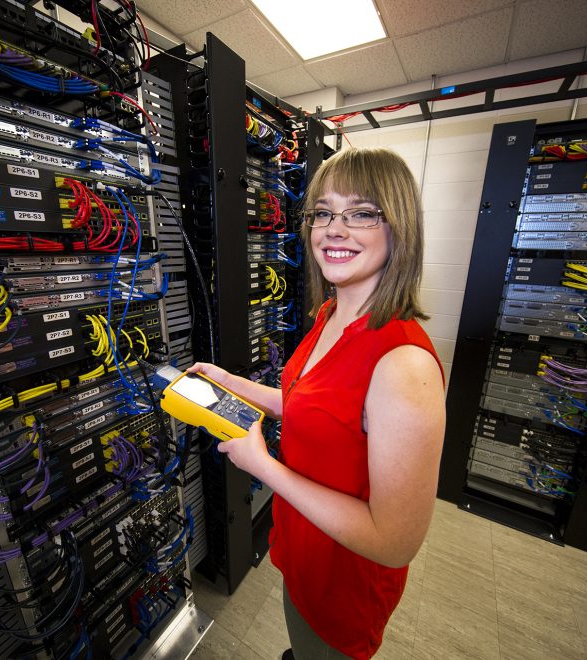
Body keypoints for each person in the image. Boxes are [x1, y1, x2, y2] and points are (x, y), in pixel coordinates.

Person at [189, 147, 445, 659]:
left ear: (400, 227)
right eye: (323, 212)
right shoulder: (330, 315)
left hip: (343, 588)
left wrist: (264, 466)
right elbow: (305, 403)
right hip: (302, 551)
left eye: (362, 213)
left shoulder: (403, 365)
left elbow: (395, 542)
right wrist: (229, 382)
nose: (334, 228)